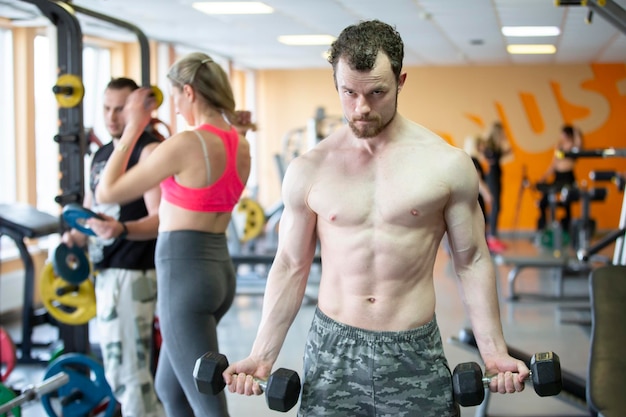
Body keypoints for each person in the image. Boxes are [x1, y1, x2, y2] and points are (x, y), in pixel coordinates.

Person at [223, 20, 528, 417]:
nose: (361, 107)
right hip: (333, 349)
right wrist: (262, 355)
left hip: (414, 349)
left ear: (401, 81)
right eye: (348, 92)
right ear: (335, 83)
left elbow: (471, 261)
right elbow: (290, 264)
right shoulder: (309, 169)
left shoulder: (447, 165)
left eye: (376, 92)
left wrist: (494, 353)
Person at [95, 52, 252, 417]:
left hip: (183, 281)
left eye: (176, 97)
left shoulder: (186, 145)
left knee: (209, 406)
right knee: (170, 389)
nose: (177, 108)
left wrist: (135, 127)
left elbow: (108, 191)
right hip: (219, 274)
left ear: (189, 92)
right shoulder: (239, 143)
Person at [62, 77, 165, 417]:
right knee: (121, 372)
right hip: (106, 271)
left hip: (134, 271)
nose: (111, 116)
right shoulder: (104, 154)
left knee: (130, 373)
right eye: (106, 108)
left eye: (120, 109)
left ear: (138, 109)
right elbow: (95, 212)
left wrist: (120, 229)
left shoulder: (148, 151)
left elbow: (160, 219)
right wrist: (76, 236)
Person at [535, 124, 582, 233]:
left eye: (564, 134)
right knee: (543, 201)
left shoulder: (574, 147)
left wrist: (576, 132)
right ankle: (543, 229)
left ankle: (566, 228)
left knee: (567, 203)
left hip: (568, 177)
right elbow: (553, 164)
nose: (562, 136)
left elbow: (579, 145)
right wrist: (543, 178)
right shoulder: (559, 147)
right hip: (558, 177)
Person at [478, 122, 512, 252]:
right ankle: (491, 236)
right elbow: (487, 155)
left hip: (496, 176)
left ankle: (493, 235)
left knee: (497, 206)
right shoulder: (489, 145)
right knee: (495, 206)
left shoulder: (496, 145)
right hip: (492, 177)